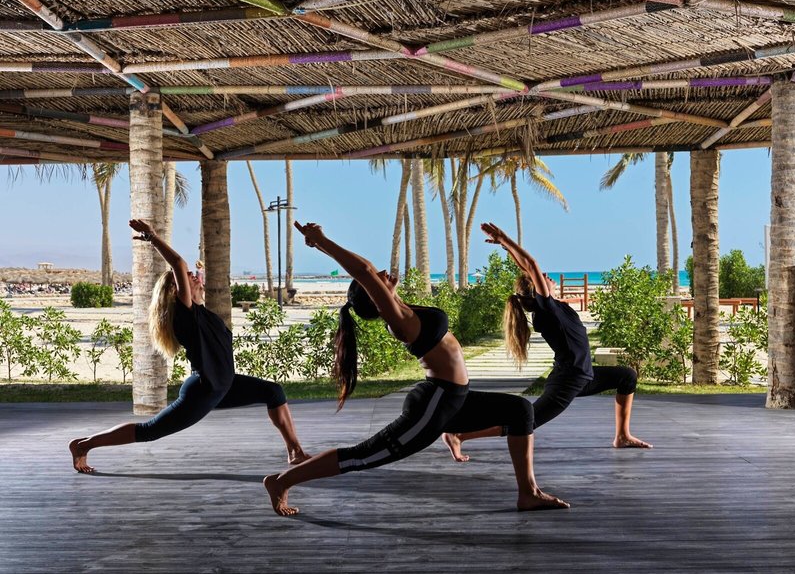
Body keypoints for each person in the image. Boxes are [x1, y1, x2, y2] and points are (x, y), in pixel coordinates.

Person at [263, 221, 567, 516]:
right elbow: (363, 271)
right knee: (363, 455)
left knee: (519, 410)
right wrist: (322, 241)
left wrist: (319, 245)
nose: (381, 272)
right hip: (435, 405)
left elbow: (367, 269)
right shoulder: (398, 320)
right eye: (377, 280)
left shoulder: (403, 308)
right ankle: (281, 481)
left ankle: (528, 493)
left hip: (455, 398)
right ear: (375, 296)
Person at [69, 219, 309, 474]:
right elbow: (178, 263)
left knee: (273, 392)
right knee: (150, 431)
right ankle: (84, 445)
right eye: (188, 277)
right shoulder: (185, 313)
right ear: (176, 289)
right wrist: (151, 237)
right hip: (205, 389)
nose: (194, 276)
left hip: (224, 384)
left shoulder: (202, 313)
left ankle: (295, 451)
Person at [442, 222, 651, 462]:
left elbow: (527, 268)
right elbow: (531, 265)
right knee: (527, 421)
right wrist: (505, 239)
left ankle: (622, 436)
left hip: (584, 375)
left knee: (626, 376)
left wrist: (506, 248)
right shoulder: (547, 310)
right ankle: (459, 435)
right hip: (569, 380)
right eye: (542, 278)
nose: (547, 276)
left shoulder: (551, 307)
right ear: (537, 291)